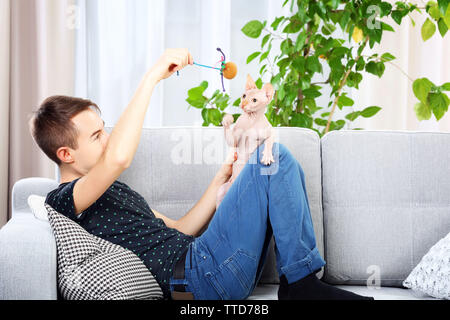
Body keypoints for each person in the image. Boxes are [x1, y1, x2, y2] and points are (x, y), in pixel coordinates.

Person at [30, 48, 373, 300]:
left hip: (211, 263)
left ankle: (301, 282)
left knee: (273, 159)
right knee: (276, 155)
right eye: (96, 135)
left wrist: (219, 181)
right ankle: (300, 286)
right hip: (200, 276)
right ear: (66, 154)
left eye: (104, 129)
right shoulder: (63, 200)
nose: (107, 138)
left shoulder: (113, 192)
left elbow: (180, 228)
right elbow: (119, 156)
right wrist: (153, 76)